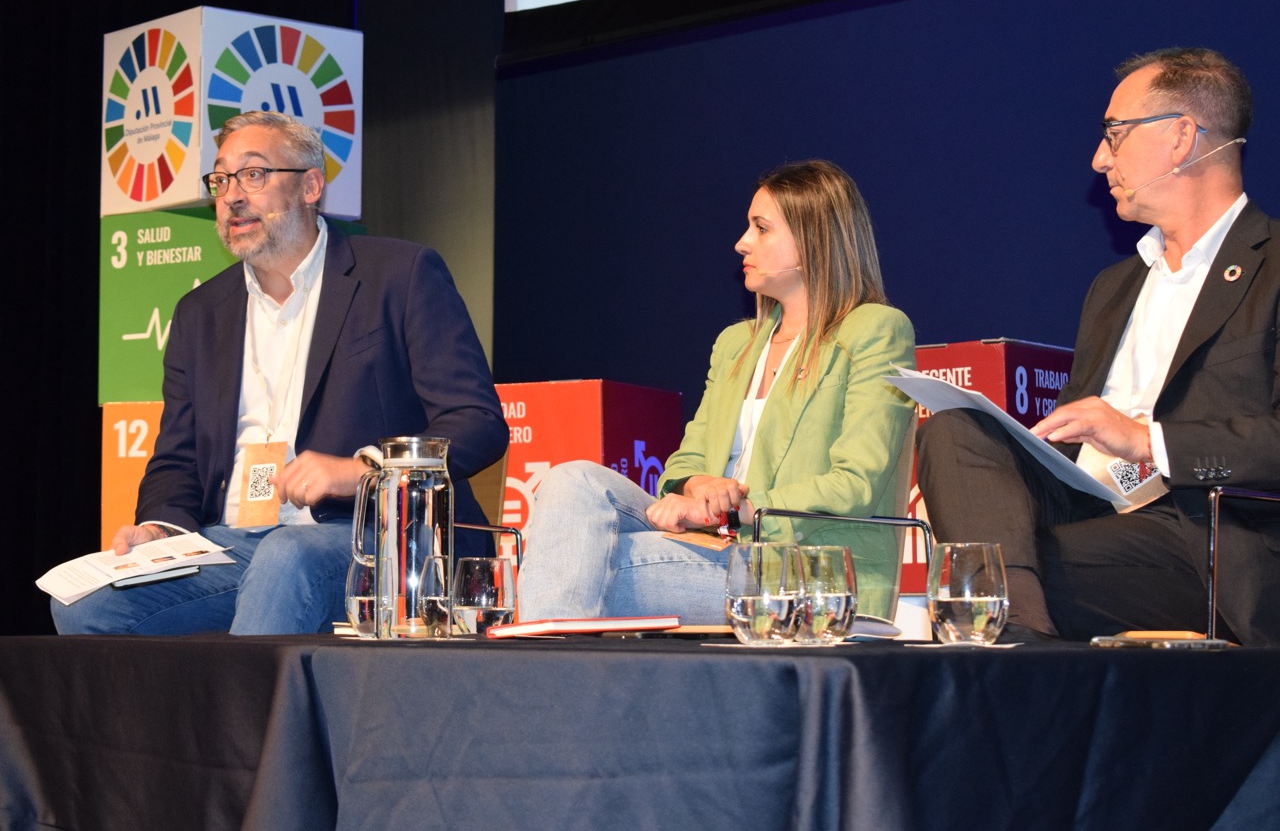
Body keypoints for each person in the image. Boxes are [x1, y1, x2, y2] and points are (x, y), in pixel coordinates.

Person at [52, 111, 508, 635]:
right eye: (221, 180)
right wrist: (161, 530)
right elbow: (177, 460)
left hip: (372, 539)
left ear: (310, 186)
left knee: (286, 557)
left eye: (254, 174)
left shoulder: (399, 276)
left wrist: (364, 470)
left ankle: (248, 696)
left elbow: (476, 423)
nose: (232, 195)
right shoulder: (200, 313)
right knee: (87, 604)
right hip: (232, 545)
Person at [916, 47, 1280, 645]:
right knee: (956, 429)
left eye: (1114, 134)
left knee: (991, 569)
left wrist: (1147, 441)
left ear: (1180, 136)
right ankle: (1020, 635)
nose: (1098, 158)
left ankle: (1007, 640)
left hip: (1204, 536)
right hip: (1095, 509)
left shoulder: (1273, 267)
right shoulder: (1114, 287)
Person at [517, 160, 916, 624]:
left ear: (815, 238)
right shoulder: (735, 344)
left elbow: (856, 483)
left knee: (583, 560)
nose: (742, 243)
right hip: (713, 547)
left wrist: (735, 508)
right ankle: (549, 663)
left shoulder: (876, 329)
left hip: (806, 572)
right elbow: (683, 465)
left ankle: (541, 665)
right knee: (572, 480)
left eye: (761, 228)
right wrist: (701, 487)